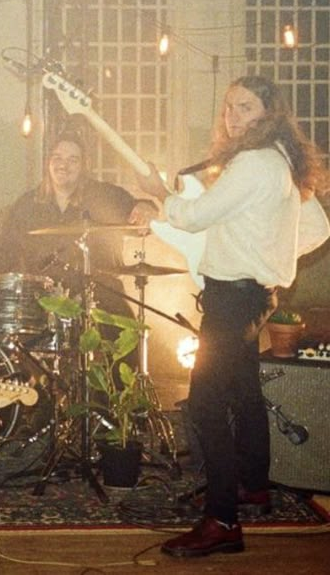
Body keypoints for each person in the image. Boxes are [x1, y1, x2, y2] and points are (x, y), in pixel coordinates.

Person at [135, 75, 330, 558]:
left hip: (232, 299)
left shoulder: (253, 163)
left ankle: (223, 520)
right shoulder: (281, 161)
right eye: (229, 107)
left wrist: (160, 195)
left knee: (203, 403)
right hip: (253, 296)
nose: (233, 116)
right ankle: (252, 485)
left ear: (270, 112)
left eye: (245, 107)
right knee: (243, 392)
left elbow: (194, 217)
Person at [0, 130, 156, 324]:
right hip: (42, 306)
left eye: (72, 160)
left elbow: (140, 211)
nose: (63, 165)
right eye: (57, 158)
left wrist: (146, 209)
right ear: (48, 163)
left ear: (84, 165)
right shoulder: (26, 206)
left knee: (126, 335)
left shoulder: (105, 196)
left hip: (103, 302)